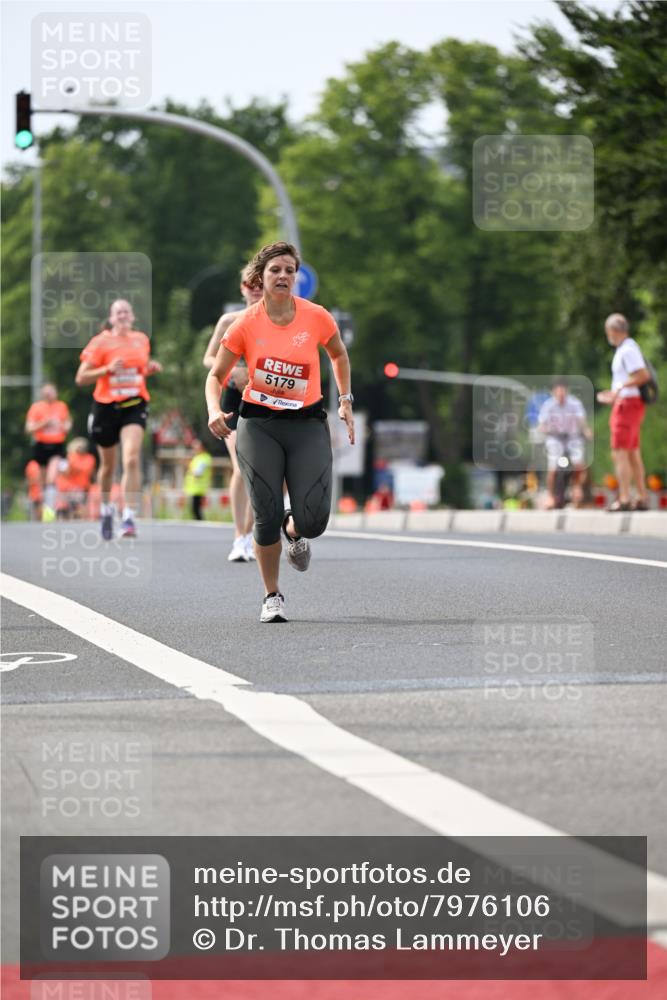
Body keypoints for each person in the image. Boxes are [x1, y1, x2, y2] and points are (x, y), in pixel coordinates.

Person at [206, 241, 355, 623]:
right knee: (265, 511)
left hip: (306, 423)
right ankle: (272, 595)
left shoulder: (316, 317)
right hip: (258, 424)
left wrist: (345, 399)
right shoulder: (244, 324)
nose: (284, 276)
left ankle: (296, 529)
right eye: (276, 270)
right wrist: (213, 410)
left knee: (315, 519)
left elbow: (338, 354)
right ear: (261, 278)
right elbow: (215, 376)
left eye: (290, 270)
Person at [75, 299, 162, 539]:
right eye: (118, 312)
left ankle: (129, 516)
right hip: (106, 406)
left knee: (132, 458)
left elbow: (138, 369)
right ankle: (106, 510)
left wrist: (148, 369)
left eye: (126, 311)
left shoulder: (141, 340)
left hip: (134, 404)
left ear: (132, 317)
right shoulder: (100, 342)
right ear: (111, 318)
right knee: (108, 467)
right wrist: (106, 369)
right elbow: (81, 378)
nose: (123, 315)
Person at [203, 267, 262, 561]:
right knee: (242, 465)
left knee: (261, 470)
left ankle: (250, 534)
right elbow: (209, 358)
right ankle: (239, 537)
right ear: (241, 288)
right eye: (249, 284)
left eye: (259, 284)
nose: (255, 288)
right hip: (234, 397)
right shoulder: (230, 320)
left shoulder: (275, 320)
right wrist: (233, 372)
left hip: (265, 397)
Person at [597, 313, 651, 512]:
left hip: (627, 404)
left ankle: (625, 497)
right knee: (632, 452)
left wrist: (619, 388)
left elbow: (642, 375)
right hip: (628, 402)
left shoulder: (627, 349)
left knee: (619, 452)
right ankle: (642, 496)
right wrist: (613, 393)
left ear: (613, 331)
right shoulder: (628, 348)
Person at [537, 378, 592, 508]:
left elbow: (582, 421)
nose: (561, 393)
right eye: (558, 391)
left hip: (572, 438)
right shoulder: (548, 406)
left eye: (563, 390)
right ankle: (550, 496)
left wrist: (586, 431)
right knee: (553, 467)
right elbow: (541, 425)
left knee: (579, 463)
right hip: (555, 438)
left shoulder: (575, 403)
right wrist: (547, 429)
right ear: (553, 392)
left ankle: (576, 488)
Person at [24, 382, 72, 521]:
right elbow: (28, 428)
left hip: (57, 445)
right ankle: (46, 505)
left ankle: (50, 510)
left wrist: (63, 426)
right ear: (42, 394)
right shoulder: (36, 407)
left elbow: (68, 424)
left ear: (56, 392)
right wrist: (43, 423)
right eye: (46, 392)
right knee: (44, 480)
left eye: (51, 391)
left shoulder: (61, 406)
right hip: (41, 445)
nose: (49, 394)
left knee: (51, 478)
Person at [55, 438, 97, 519]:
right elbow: (65, 472)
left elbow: (91, 472)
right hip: (70, 488)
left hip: (83, 488)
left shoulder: (90, 458)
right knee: (70, 505)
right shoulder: (70, 457)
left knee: (80, 506)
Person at [183, 438, 212, 520]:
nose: (194, 448)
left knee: (196, 510)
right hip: (194, 489)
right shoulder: (198, 457)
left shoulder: (204, 458)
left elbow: (198, 473)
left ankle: (200, 526)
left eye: (196, 445)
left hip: (198, 489)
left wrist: (189, 465)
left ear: (202, 447)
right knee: (195, 510)